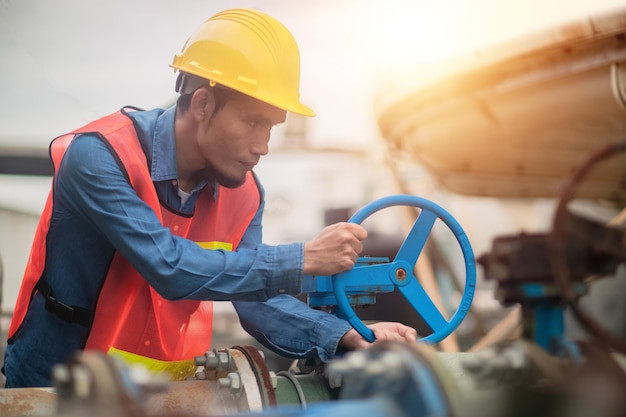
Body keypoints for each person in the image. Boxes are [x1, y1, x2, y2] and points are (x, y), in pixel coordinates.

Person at [2, 8, 416, 388]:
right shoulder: (100, 157)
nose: (263, 146)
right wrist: (303, 258)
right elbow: (167, 267)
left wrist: (350, 335)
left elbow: (257, 300)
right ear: (202, 104)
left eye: (271, 127)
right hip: (57, 389)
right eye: (254, 122)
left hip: (161, 395)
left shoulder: (246, 195)